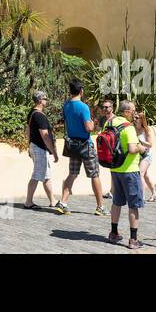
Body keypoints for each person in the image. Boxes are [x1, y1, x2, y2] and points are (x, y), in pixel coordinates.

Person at [107, 100, 151, 249]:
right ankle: (133, 240)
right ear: (126, 112)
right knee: (134, 205)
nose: (135, 113)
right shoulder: (128, 126)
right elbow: (132, 148)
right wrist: (142, 149)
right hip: (129, 170)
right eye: (133, 111)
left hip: (115, 169)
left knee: (117, 202)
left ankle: (113, 233)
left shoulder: (109, 123)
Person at [56, 80, 105, 216]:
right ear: (81, 90)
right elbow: (88, 128)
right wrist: (93, 123)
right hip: (85, 144)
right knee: (94, 174)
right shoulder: (83, 107)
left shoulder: (66, 105)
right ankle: (100, 207)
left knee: (72, 173)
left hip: (73, 145)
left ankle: (63, 203)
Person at [22, 91, 59, 210]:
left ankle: (52, 200)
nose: (47, 100)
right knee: (37, 174)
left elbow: (27, 132)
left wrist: (30, 145)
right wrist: (53, 151)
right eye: (45, 98)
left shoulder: (32, 113)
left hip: (35, 146)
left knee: (46, 175)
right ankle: (28, 202)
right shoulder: (39, 115)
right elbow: (45, 135)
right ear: (40, 100)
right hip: (40, 148)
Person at [134, 109, 156, 201]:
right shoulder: (133, 128)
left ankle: (141, 197)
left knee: (140, 174)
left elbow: (150, 144)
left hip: (147, 155)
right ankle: (154, 193)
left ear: (141, 119)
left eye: (137, 117)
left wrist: (140, 141)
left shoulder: (146, 130)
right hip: (139, 155)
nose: (135, 119)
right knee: (145, 175)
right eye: (134, 117)